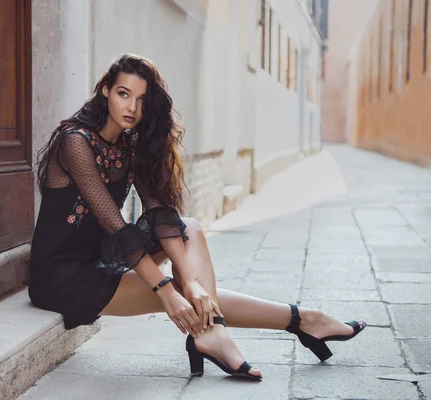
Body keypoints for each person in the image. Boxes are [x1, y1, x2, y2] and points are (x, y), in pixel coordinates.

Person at [28, 54, 365, 380]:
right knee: (179, 295)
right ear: (105, 90)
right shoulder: (75, 143)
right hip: (61, 278)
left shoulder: (130, 146)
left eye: (142, 100)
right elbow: (116, 228)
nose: (132, 108)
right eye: (123, 94)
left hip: (101, 262)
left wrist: (188, 281)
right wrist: (166, 289)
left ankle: (246, 329)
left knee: (189, 230)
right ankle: (298, 321)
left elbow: (160, 214)